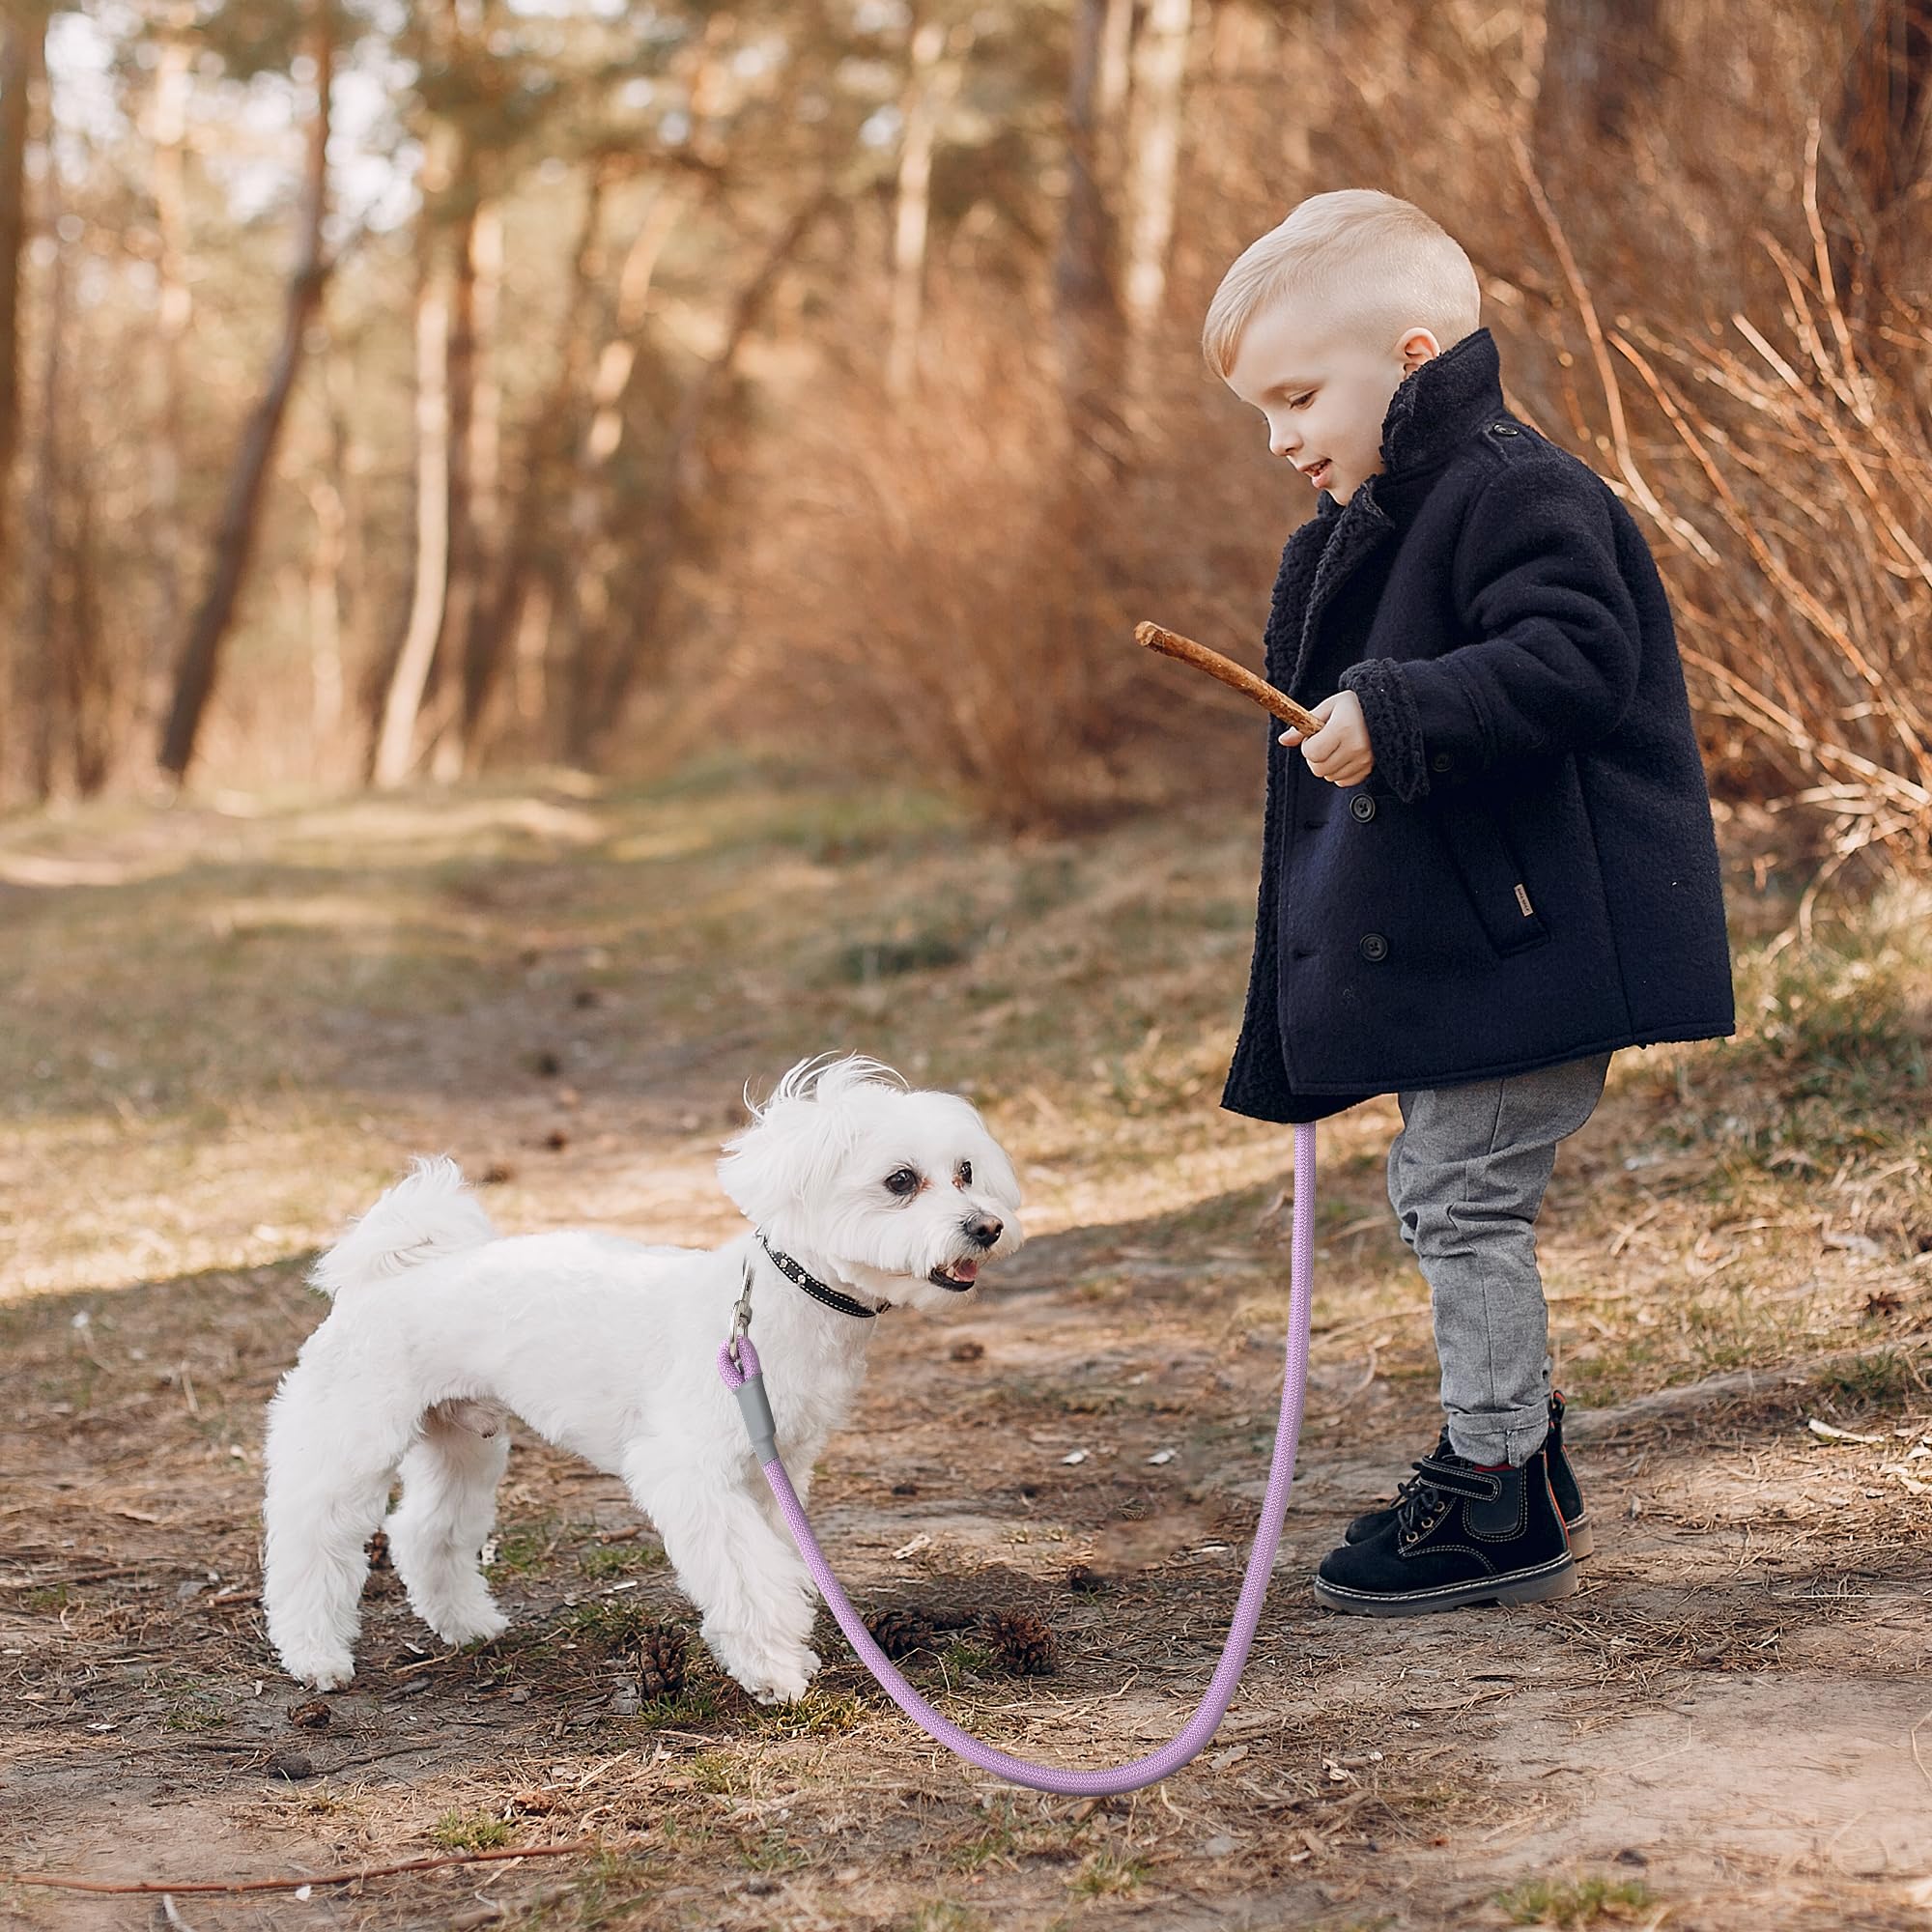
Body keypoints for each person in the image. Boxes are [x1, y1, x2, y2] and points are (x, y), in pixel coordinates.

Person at [1202, 189, 1735, 1616]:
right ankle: (1527, 1466)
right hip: (1485, 945)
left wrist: (1396, 706)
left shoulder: (1515, 489)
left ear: (1418, 357)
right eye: (1263, 411)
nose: (1281, 436)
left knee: (1460, 1196)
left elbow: (1575, 659)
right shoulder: (1378, 518)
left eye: (1302, 395)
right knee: (1447, 1193)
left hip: (1536, 941)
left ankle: (1497, 1485)